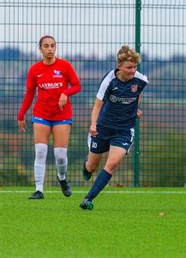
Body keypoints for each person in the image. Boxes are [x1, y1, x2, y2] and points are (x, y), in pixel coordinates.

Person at [80, 45, 148, 210]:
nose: (132, 71)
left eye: (134, 67)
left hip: (124, 130)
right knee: (92, 166)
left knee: (112, 164)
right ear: (119, 66)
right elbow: (97, 106)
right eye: (129, 68)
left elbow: (138, 93)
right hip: (103, 127)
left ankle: (88, 199)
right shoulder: (109, 80)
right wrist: (93, 125)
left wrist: (136, 109)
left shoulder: (141, 80)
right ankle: (87, 167)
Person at [18, 35, 82, 199]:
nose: (50, 49)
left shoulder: (65, 66)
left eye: (52, 45)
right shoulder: (34, 69)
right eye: (46, 46)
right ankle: (39, 190)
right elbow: (30, 93)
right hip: (41, 115)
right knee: (40, 152)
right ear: (40, 49)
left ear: (55, 47)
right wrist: (21, 114)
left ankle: (62, 178)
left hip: (61, 115)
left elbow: (77, 86)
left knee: (60, 155)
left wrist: (65, 93)